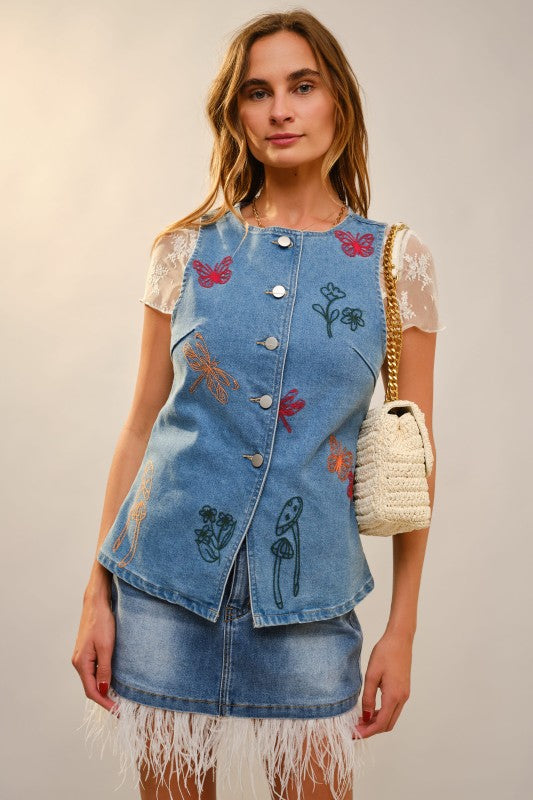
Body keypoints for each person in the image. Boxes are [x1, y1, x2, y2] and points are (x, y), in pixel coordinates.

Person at [72, 9, 444, 800]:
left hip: (310, 603)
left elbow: (416, 453)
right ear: (235, 113)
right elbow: (140, 425)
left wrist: (401, 631)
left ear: (336, 100)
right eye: (257, 92)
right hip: (162, 591)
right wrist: (94, 594)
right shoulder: (184, 251)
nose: (280, 110)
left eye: (301, 86)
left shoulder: (392, 261)